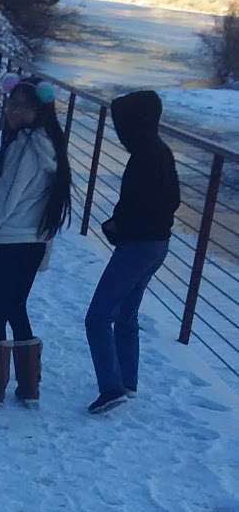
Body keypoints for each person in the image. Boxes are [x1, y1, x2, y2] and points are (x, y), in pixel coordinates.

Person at [0, 74, 72, 409]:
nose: (12, 111)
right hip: (33, 242)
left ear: (39, 110)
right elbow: (49, 207)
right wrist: (45, 251)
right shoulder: (52, 146)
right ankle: (29, 387)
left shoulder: (24, 148)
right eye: (11, 104)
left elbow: (4, 202)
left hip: (10, 242)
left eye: (22, 107)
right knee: (16, 306)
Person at [84, 90, 180, 414]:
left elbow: (136, 209)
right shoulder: (160, 151)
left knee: (97, 317)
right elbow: (170, 202)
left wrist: (117, 228)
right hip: (157, 245)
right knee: (126, 313)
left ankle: (111, 388)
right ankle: (128, 381)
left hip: (137, 247)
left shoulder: (144, 157)